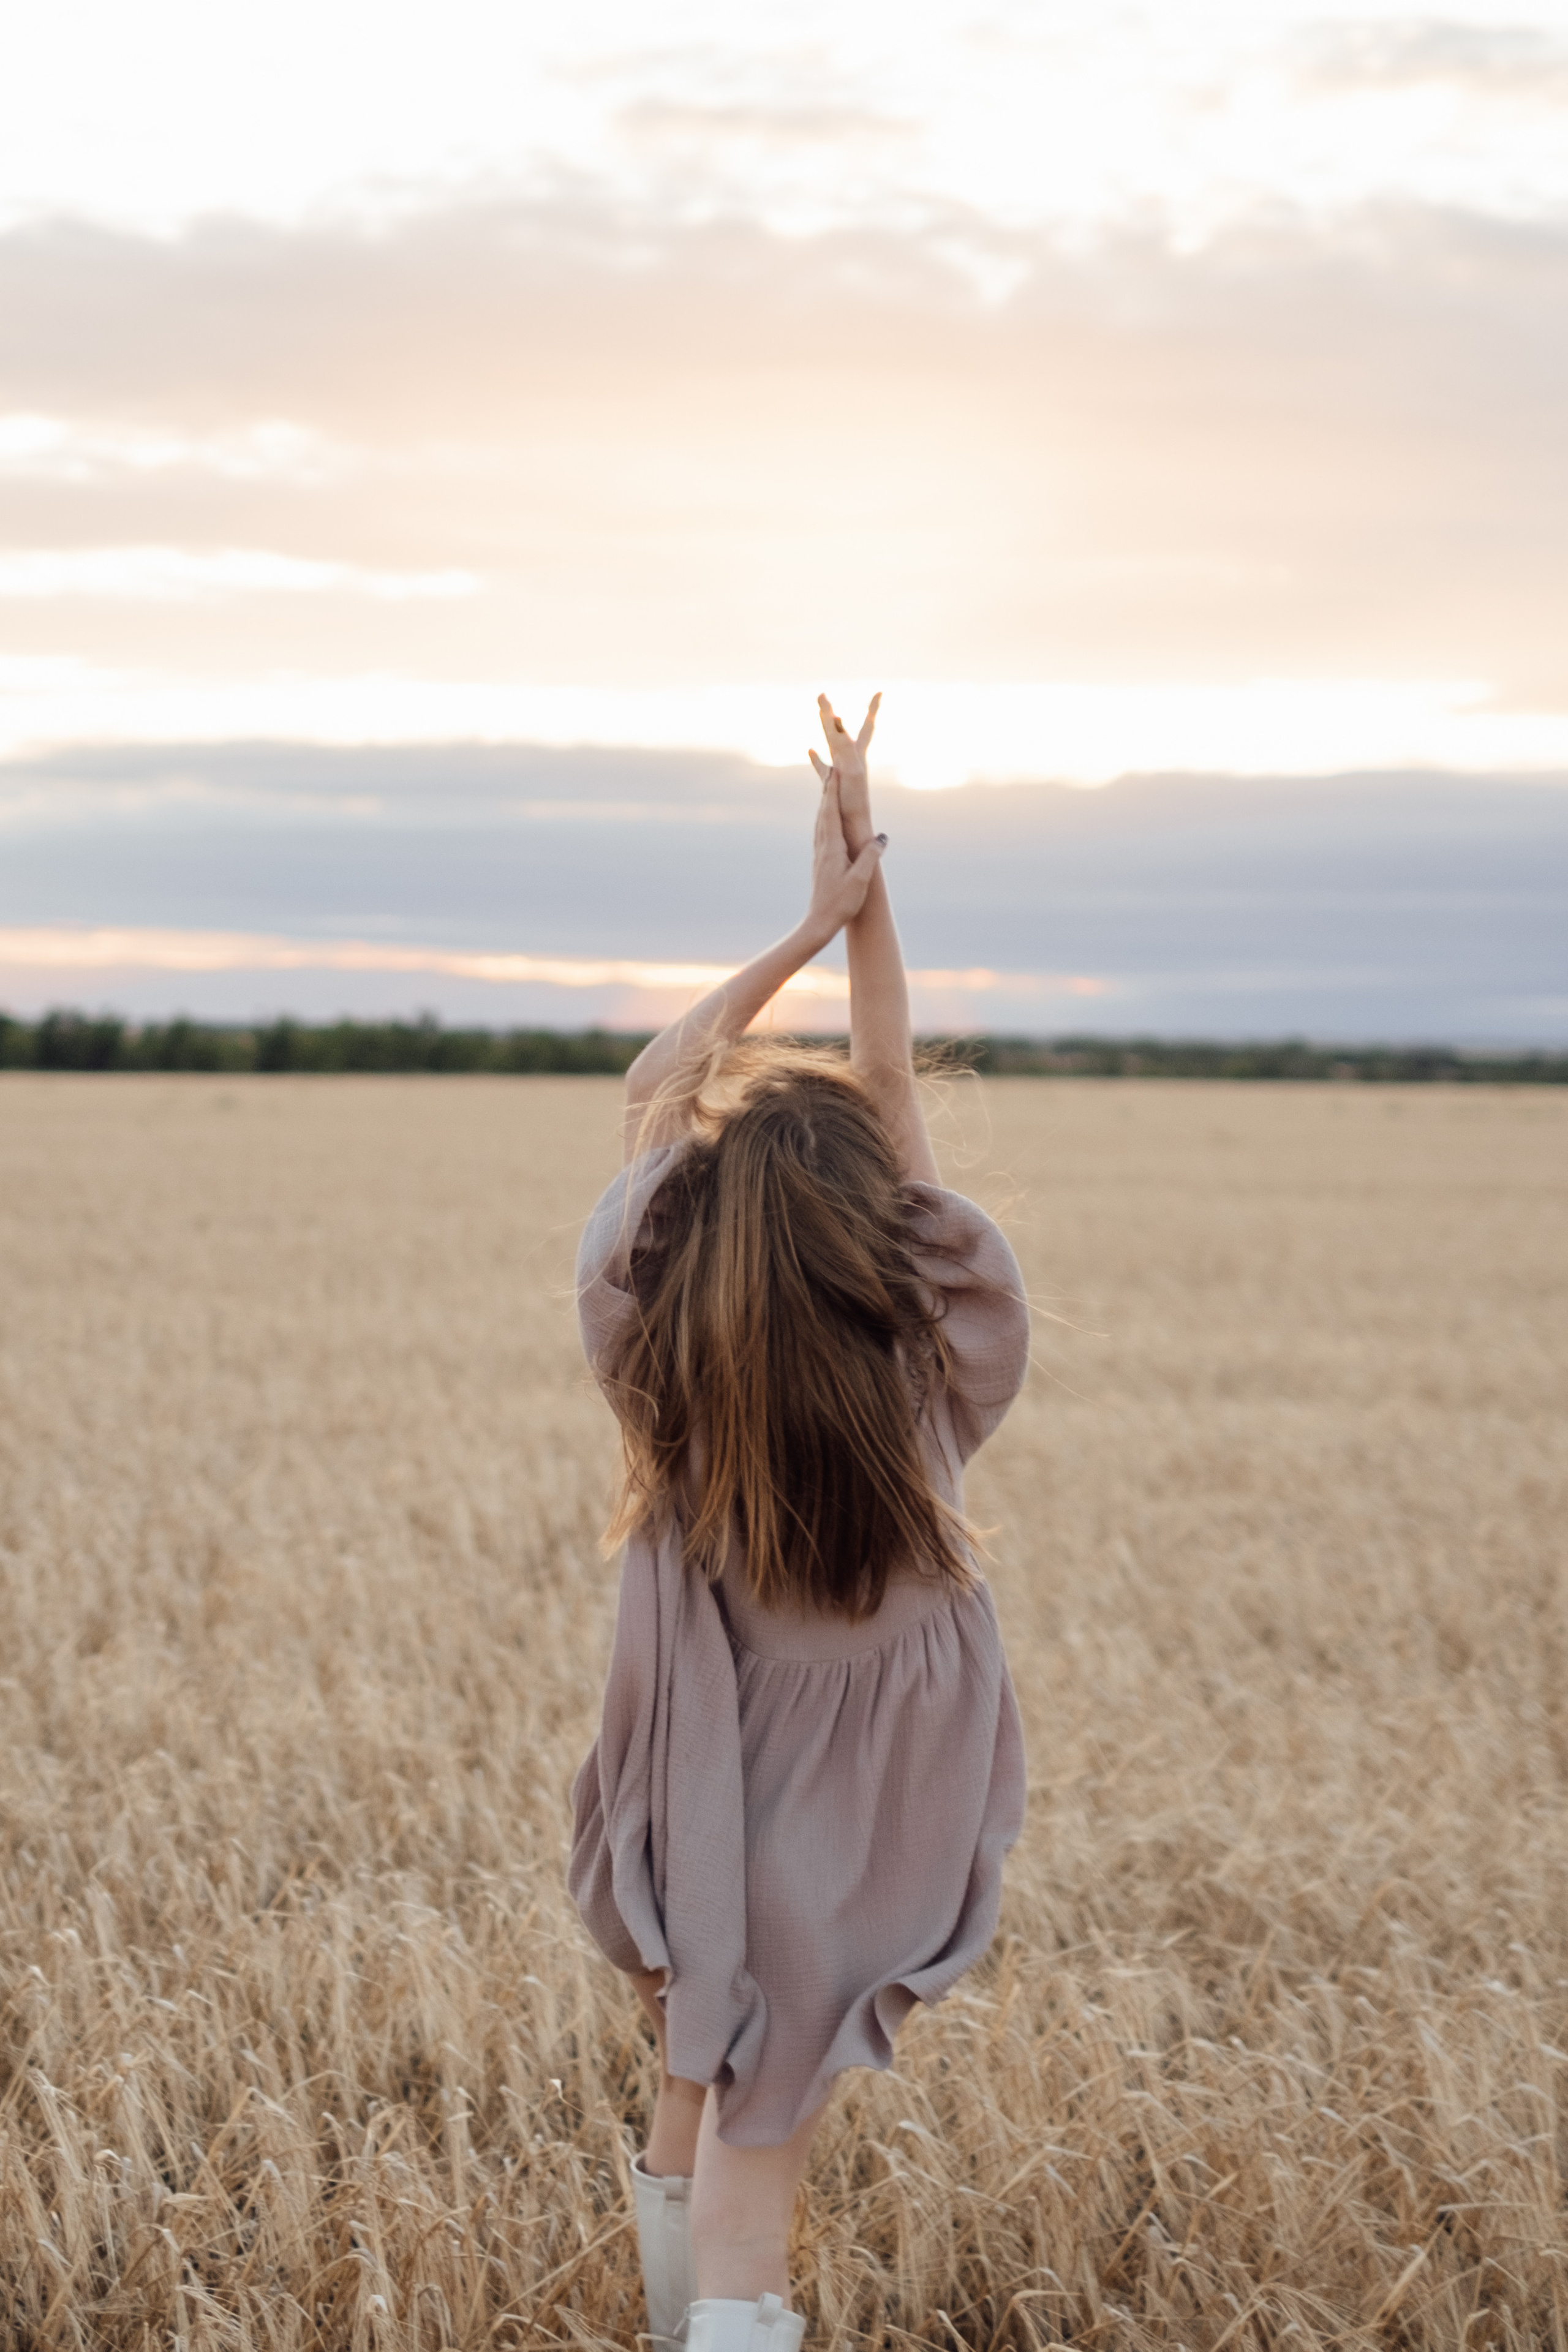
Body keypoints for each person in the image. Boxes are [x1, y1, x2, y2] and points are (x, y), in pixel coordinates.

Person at [568, 695, 1031, 2351]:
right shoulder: (926, 1342)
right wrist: (869, 899)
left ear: (705, 1227)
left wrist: (806, 922)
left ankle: (682, 2316)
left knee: (708, 2073)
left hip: (713, 1763)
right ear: (880, 1229)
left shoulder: (665, 1350)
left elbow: (656, 1081)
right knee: (766, 2136)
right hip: (882, 1781)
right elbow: (893, 1075)